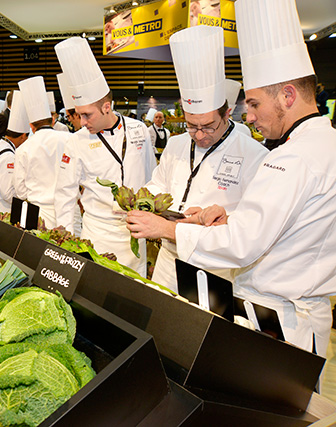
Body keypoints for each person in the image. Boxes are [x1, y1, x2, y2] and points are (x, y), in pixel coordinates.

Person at [127, 0, 336, 358]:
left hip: (282, 318)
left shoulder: (293, 156)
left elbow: (244, 243)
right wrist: (229, 218)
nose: (249, 117)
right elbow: (276, 225)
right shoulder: (323, 142)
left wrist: (169, 229)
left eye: (254, 104)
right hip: (282, 312)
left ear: (287, 95)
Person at [143, 25, 268, 292]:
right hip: (167, 261)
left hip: (214, 269)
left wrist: (217, 217)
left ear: (227, 114)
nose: (199, 135)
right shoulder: (176, 144)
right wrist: (146, 201)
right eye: (192, 126)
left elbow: (254, 226)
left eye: (209, 126)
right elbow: (158, 184)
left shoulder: (253, 155)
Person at [54, 36, 156, 275]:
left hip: (135, 233)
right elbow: (65, 194)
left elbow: (152, 177)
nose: (82, 122)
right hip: (97, 234)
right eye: (79, 114)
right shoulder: (75, 141)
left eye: (87, 115)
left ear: (107, 107)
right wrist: (68, 239)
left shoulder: (138, 129)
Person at [14, 76, 70, 228]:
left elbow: (20, 190)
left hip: (39, 213)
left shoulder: (23, 149)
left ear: (31, 126)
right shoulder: (69, 139)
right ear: (52, 120)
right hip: (69, 211)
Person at [0, 91, 29, 213]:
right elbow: (8, 194)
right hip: (1, 210)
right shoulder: (8, 156)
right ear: (23, 136)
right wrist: (28, 197)